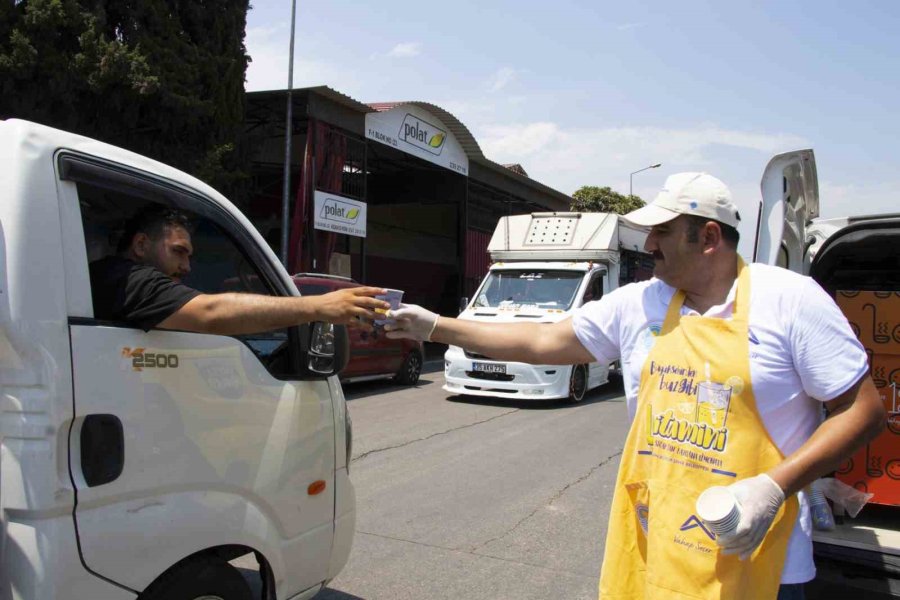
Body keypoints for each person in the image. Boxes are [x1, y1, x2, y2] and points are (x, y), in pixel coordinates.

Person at [384, 172, 885, 600]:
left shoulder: (790, 300)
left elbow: (863, 410)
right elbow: (542, 340)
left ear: (708, 237)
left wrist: (774, 488)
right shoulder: (639, 303)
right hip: (657, 548)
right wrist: (435, 327)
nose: (648, 247)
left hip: (758, 557)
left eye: (662, 233)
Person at [89, 205, 389, 333]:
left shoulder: (110, 277)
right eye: (178, 252)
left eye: (190, 256)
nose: (186, 266)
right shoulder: (127, 278)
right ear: (141, 245)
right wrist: (318, 306)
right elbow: (210, 313)